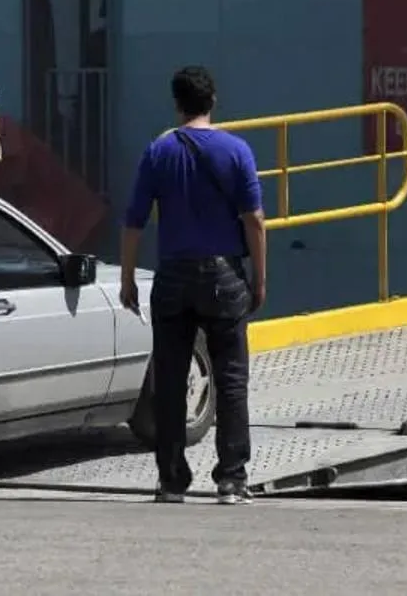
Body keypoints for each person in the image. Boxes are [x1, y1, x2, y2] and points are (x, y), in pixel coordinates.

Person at [119, 65, 267, 505]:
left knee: (169, 381)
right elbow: (254, 221)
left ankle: (171, 481)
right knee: (231, 379)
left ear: (177, 104)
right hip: (224, 277)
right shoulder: (236, 150)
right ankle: (231, 480)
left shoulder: (159, 151)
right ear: (213, 101)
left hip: (173, 277)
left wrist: (127, 278)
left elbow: (133, 221)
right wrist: (259, 280)